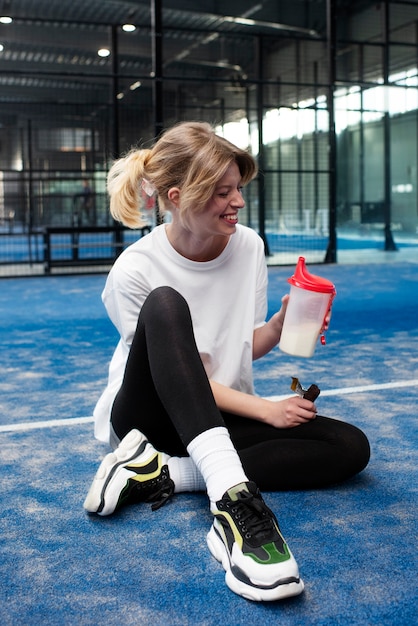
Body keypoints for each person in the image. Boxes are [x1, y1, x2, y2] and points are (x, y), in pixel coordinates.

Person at [83, 121, 370, 602]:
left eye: (238, 189)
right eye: (221, 193)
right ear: (177, 196)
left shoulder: (250, 246)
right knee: (166, 303)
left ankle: (164, 473)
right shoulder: (134, 269)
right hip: (150, 419)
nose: (237, 202)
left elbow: (241, 345)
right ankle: (234, 503)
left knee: (348, 445)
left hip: (217, 417)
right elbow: (181, 377)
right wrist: (265, 410)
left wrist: (281, 326)